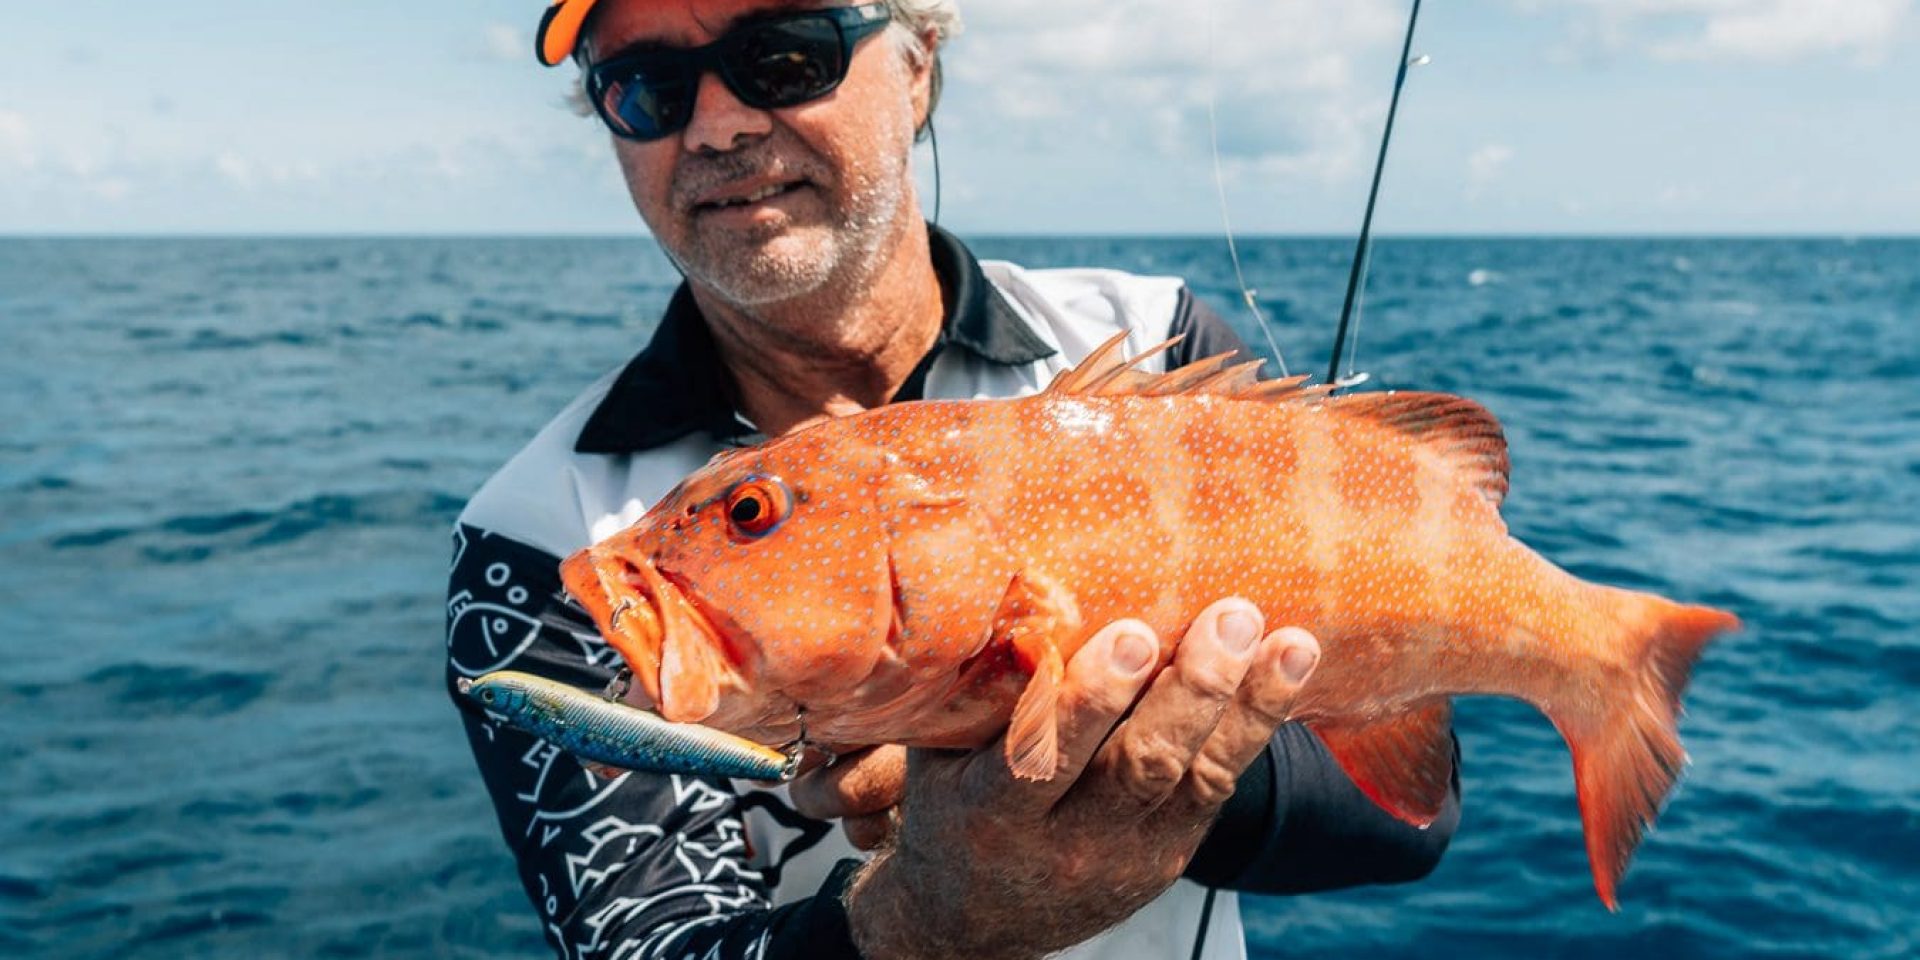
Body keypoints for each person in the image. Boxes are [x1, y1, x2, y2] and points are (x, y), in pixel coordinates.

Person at [446, 1, 1461, 957]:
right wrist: (920, 924)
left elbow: (1405, 823)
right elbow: (646, 939)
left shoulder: (1153, 348)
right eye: (647, 87)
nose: (714, 127)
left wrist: (1085, 757)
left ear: (920, 60)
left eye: (787, 53)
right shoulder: (548, 544)